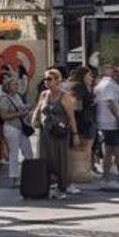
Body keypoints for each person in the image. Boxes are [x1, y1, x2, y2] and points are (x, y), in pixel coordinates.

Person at [32, 69, 81, 199]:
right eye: (45, 79)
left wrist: (75, 134)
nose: (46, 81)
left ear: (57, 80)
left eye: (49, 79)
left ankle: (61, 187)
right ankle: (47, 186)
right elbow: (38, 109)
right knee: (45, 159)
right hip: (45, 134)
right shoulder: (43, 94)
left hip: (59, 135)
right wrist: (34, 120)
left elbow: (71, 117)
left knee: (59, 160)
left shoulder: (65, 96)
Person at [94, 65, 119, 184]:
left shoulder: (106, 83)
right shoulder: (109, 85)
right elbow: (111, 104)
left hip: (107, 122)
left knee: (109, 150)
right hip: (111, 122)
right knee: (117, 150)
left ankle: (107, 176)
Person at [0, 77, 34, 187]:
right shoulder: (4, 99)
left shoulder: (17, 96)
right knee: (14, 153)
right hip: (11, 127)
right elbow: (4, 116)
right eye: (14, 85)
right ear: (7, 87)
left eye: (17, 85)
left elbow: (21, 107)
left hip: (21, 127)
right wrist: (19, 114)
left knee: (28, 151)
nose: (16, 86)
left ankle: (28, 174)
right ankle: (14, 178)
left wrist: (29, 107)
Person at [66, 66, 96, 180]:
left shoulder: (78, 86)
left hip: (83, 120)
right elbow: (76, 106)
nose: (91, 78)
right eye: (89, 76)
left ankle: (83, 169)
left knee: (83, 148)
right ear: (83, 76)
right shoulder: (79, 87)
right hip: (84, 121)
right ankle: (85, 170)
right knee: (86, 147)